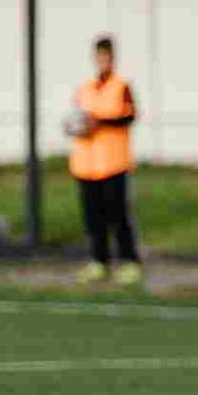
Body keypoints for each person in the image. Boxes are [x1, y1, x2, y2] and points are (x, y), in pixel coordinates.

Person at [69, 35, 142, 286]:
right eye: (100, 56)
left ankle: (129, 262)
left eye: (107, 56)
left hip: (113, 163)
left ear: (113, 58)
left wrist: (100, 122)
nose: (103, 61)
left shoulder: (121, 86)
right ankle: (99, 261)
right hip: (86, 165)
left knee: (118, 216)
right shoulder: (85, 88)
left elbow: (129, 116)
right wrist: (75, 127)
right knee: (93, 218)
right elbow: (77, 117)